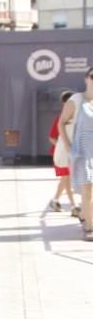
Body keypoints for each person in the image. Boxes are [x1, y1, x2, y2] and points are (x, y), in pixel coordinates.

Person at [58, 69, 93, 240]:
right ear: (86, 79)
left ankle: (86, 215)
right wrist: (69, 147)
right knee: (88, 191)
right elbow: (61, 123)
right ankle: (89, 227)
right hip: (83, 154)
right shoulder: (76, 100)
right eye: (92, 76)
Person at [48, 90, 79, 216]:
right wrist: (64, 147)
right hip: (62, 155)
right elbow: (51, 138)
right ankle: (74, 207)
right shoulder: (60, 119)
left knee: (64, 180)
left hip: (73, 154)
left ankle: (55, 201)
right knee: (66, 179)